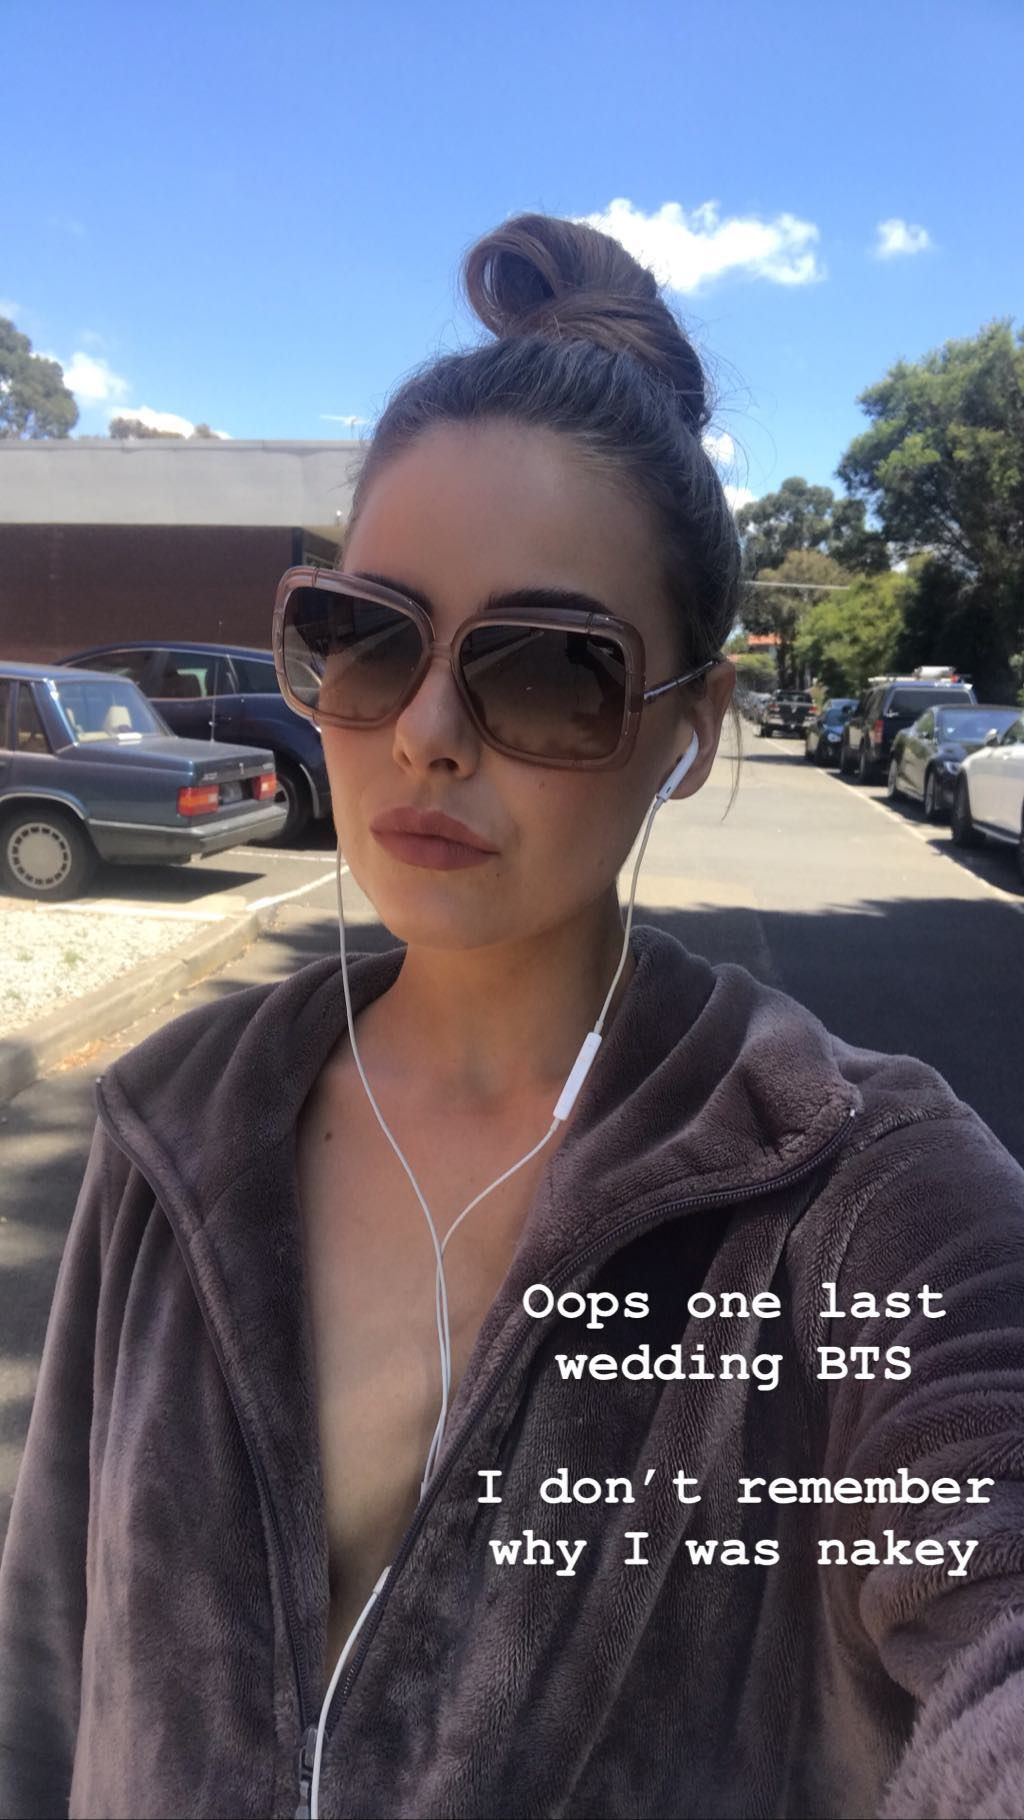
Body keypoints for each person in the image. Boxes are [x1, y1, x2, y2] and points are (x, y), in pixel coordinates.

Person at [2, 214, 1024, 1820]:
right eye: (366, 636)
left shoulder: (857, 1188)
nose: (425, 731)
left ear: (690, 728)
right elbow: (46, 1672)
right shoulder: (173, 1121)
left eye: (548, 667)